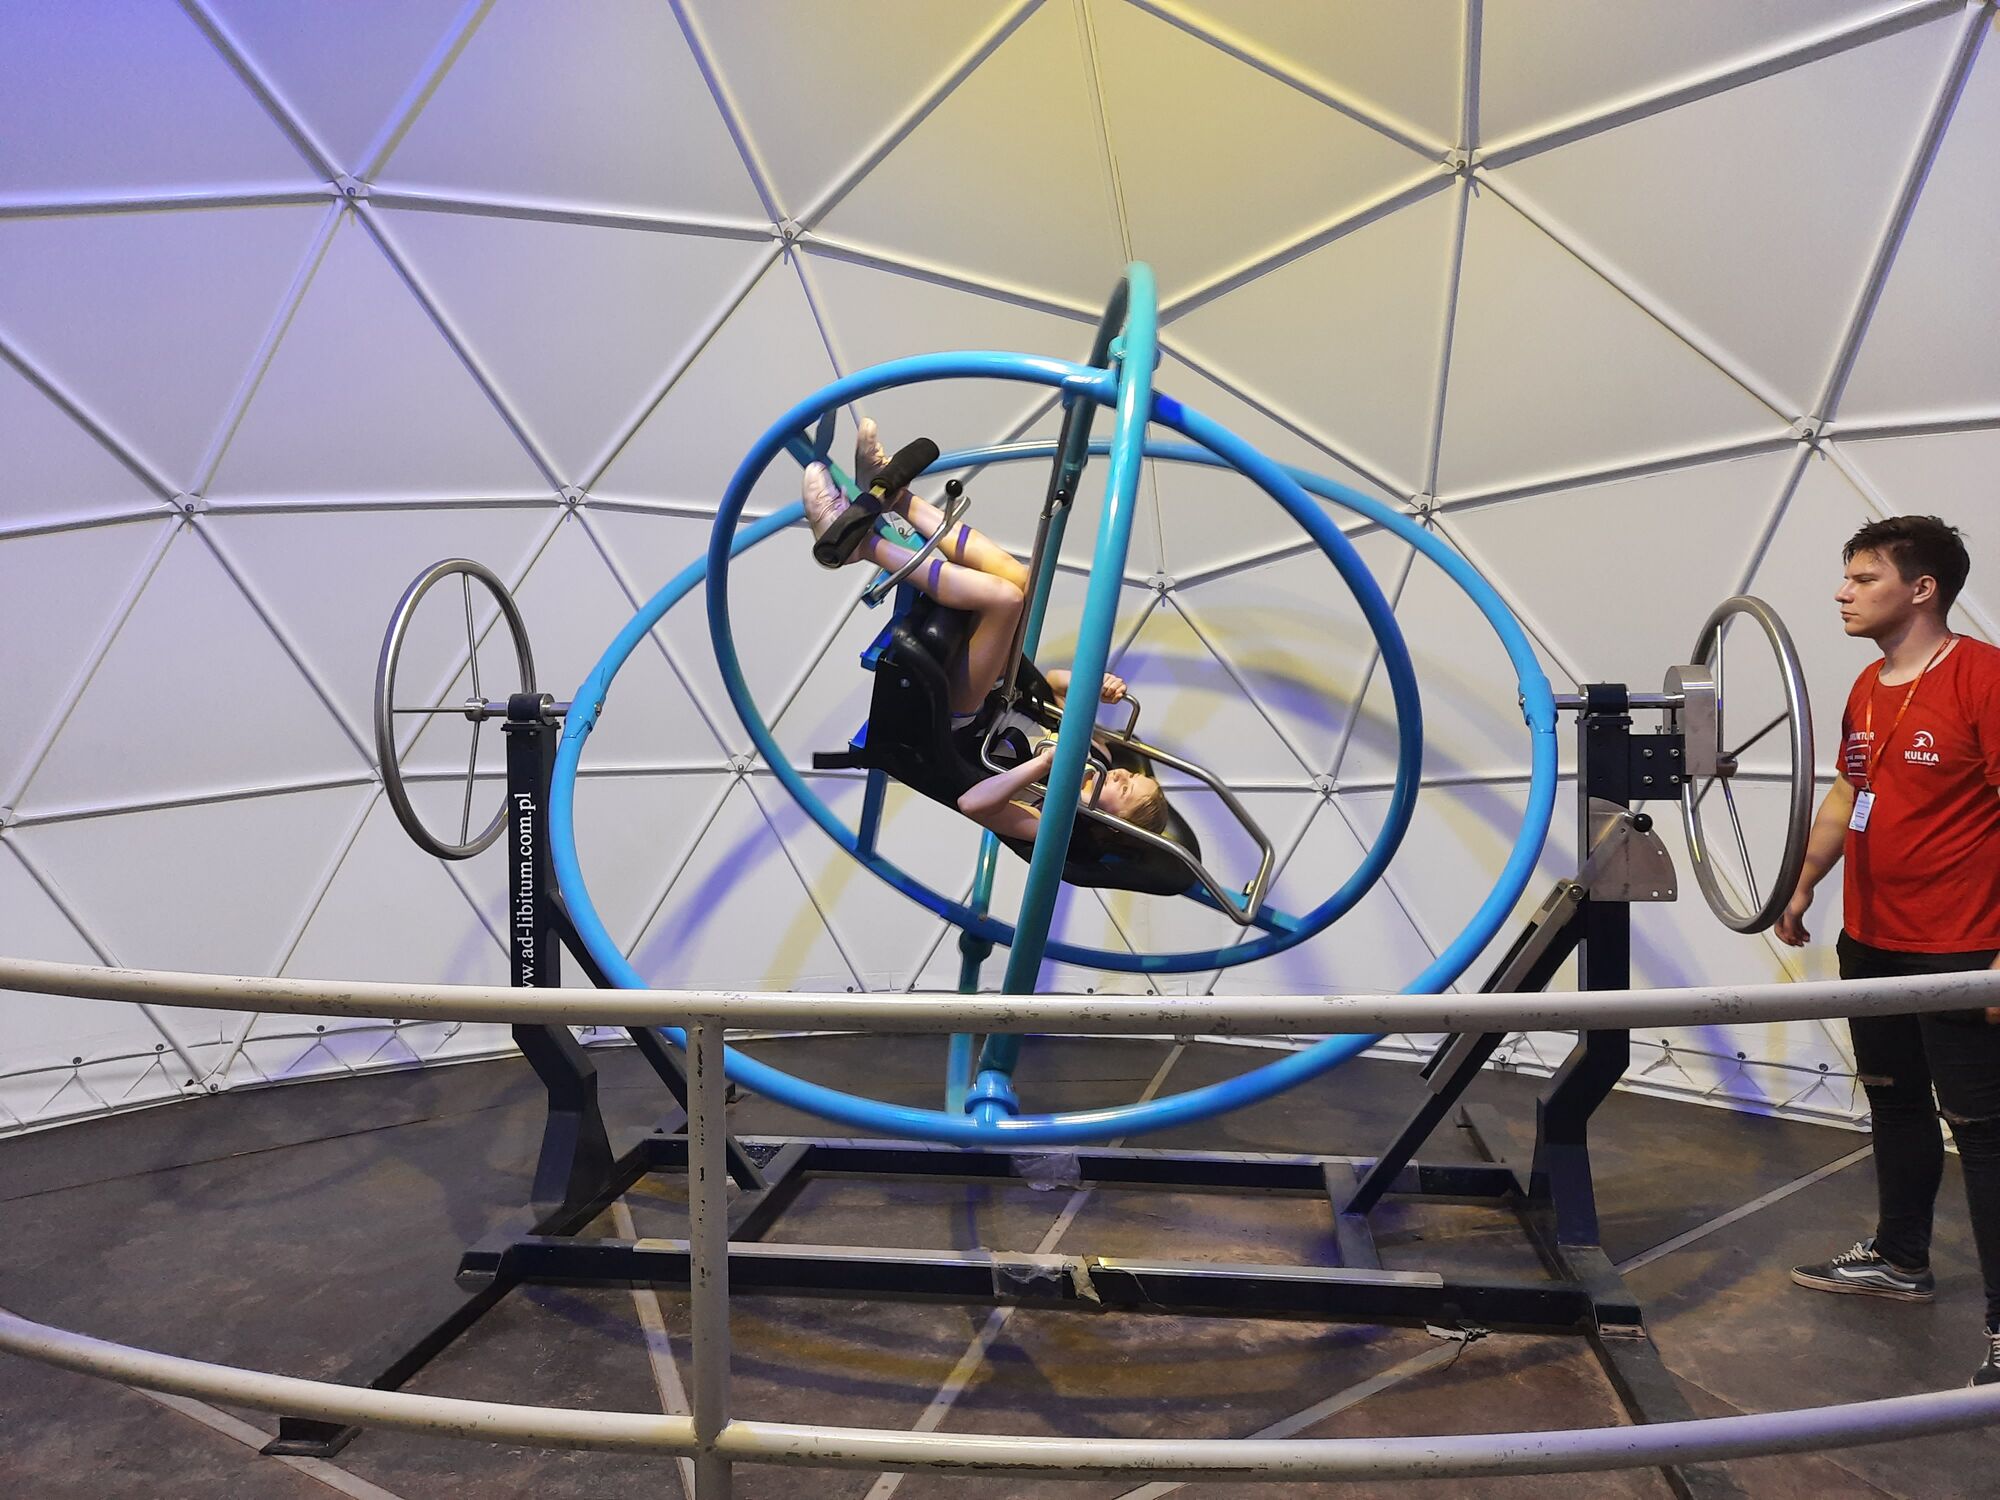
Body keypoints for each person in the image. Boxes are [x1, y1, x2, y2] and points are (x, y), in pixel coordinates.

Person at [1777, 514, 2000, 1388]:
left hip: (1961, 949)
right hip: (1872, 942)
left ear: (1922, 589)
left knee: (1983, 1132)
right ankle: (1902, 1260)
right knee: (1896, 1104)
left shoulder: (1983, 677)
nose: (1843, 592)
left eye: (1864, 578)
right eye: (1848, 576)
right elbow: (1849, 790)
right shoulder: (1869, 686)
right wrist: (1803, 882)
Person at [803, 418, 1169, 842]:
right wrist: (1095, 687)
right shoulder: (1098, 753)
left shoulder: (1051, 823)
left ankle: (859, 544)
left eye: (1125, 789)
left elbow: (973, 804)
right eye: (1132, 776)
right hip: (1000, 689)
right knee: (1019, 580)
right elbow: (1053, 685)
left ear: (1114, 822)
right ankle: (895, 496)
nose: (1122, 774)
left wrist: (1045, 764)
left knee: (1005, 600)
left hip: (963, 723)